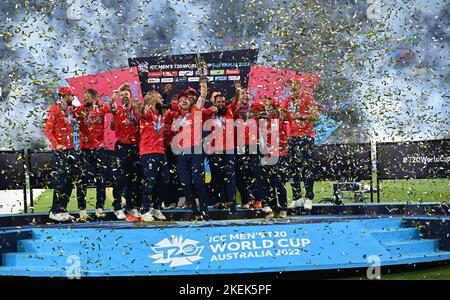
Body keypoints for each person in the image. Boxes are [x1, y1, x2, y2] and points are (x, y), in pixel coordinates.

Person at [167, 79, 212, 220]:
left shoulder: (196, 112)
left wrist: (203, 87)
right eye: (181, 100)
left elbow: (202, 97)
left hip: (196, 151)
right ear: (178, 104)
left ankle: (205, 211)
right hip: (181, 154)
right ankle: (194, 212)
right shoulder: (175, 118)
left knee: (199, 182)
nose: (184, 101)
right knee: (186, 184)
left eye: (186, 99)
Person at [74, 88, 111, 220]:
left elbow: (112, 108)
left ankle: (99, 207)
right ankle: (82, 209)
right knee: (82, 179)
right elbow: (70, 114)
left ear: (95, 98)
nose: (86, 99)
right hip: (84, 149)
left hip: (99, 148)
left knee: (101, 178)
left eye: (89, 97)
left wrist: (100, 103)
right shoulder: (79, 110)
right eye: (85, 97)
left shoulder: (101, 108)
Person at [43, 87, 77, 222]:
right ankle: (54, 210)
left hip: (71, 149)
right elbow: (47, 130)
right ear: (64, 96)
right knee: (62, 179)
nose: (73, 98)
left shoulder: (71, 110)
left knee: (69, 180)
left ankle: (63, 209)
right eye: (70, 96)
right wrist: (56, 144)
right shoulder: (54, 109)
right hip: (60, 150)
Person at [109, 83, 142, 221]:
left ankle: (131, 206)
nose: (124, 97)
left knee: (133, 178)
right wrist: (118, 90)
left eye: (126, 95)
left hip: (135, 147)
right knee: (120, 178)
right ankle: (117, 207)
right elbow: (111, 101)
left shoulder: (136, 111)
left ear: (130, 97)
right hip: (121, 147)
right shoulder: (116, 110)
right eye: (121, 95)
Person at [137, 90, 171, 221]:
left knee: (165, 179)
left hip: (160, 152)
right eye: (160, 97)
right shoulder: (146, 112)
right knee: (150, 180)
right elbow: (141, 112)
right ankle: (144, 209)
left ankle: (156, 208)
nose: (162, 100)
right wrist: (147, 102)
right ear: (152, 99)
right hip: (148, 151)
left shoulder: (161, 114)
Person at [287, 82, 320, 211]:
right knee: (292, 167)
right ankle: (297, 197)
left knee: (307, 167)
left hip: (305, 136)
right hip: (292, 137)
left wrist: (301, 116)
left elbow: (316, 116)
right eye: (292, 88)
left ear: (300, 88)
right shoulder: (288, 101)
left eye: (296, 87)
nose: (294, 90)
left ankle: (309, 198)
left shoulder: (307, 99)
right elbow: (285, 116)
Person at [205, 92, 237, 212]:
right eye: (219, 102)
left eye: (223, 102)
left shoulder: (229, 111)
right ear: (214, 102)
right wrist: (210, 110)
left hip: (229, 149)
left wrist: (237, 90)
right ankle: (222, 201)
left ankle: (232, 203)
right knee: (218, 177)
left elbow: (236, 100)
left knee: (230, 176)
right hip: (215, 150)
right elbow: (199, 114)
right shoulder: (209, 113)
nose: (221, 104)